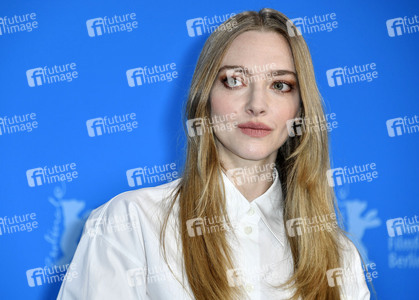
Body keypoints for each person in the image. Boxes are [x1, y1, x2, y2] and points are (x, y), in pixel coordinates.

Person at [57, 8, 371, 300]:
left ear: (300, 109)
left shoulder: (340, 256)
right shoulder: (130, 223)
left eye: (280, 85)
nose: (256, 104)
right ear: (204, 97)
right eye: (234, 80)